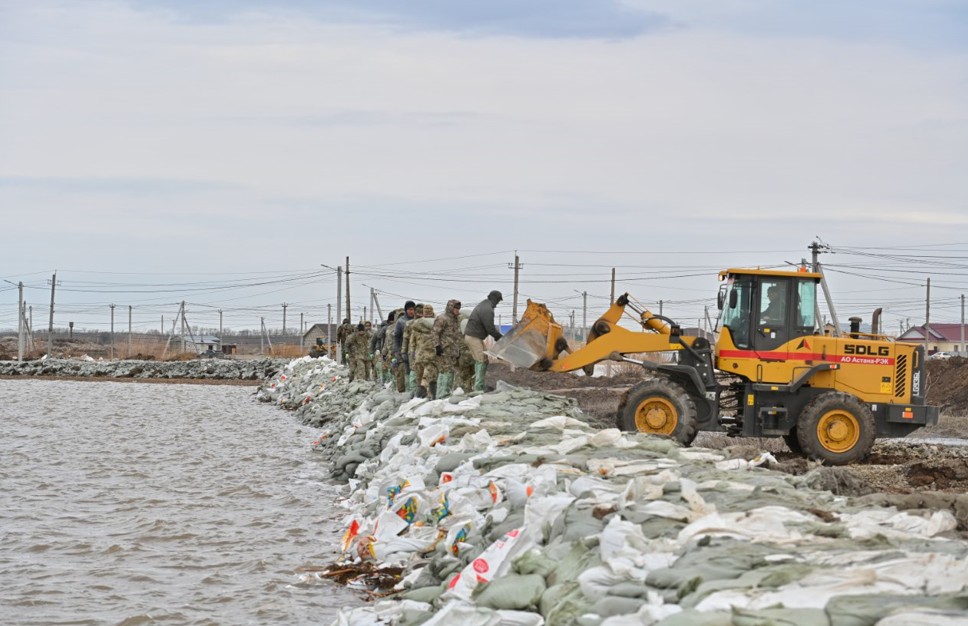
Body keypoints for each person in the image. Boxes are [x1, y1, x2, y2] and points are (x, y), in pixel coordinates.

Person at [464, 290, 503, 392]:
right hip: (473, 337)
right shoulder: (487, 309)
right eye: (498, 301)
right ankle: (478, 388)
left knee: (483, 360)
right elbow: (489, 327)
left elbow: (489, 327)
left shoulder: (485, 305)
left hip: (474, 336)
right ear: (495, 299)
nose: (497, 304)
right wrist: (498, 337)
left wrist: (497, 335)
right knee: (481, 360)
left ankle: (478, 384)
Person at [432, 299, 462, 398]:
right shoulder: (442, 318)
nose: (457, 310)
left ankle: (446, 392)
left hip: (453, 351)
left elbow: (456, 336)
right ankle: (441, 394)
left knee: (450, 372)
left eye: (458, 308)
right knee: (445, 372)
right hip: (444, 350)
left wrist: (458, 350)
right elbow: (435, 333)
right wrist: (437, 346)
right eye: (455, 308)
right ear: (450, 308)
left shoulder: (455, 320)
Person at [410, 304, 436, 398]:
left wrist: (412, 352)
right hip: (430, 355)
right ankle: (427, 396)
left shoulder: (417, 324)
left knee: (421, 377)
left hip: (420, 354)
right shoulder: (435, 324)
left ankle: (420, 397)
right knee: (428, 377)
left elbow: (412, 341)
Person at [392, 301, 416, 392]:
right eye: (410, 309)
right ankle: (408, 391)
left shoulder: (417, 320)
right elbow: (396, 338)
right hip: (404, 351)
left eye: (413, 309)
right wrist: (397, 352)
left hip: (415, 351)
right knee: (406, 372)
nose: (412, 311)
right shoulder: (401, 321)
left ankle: (414, 392)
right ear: (406, 310)